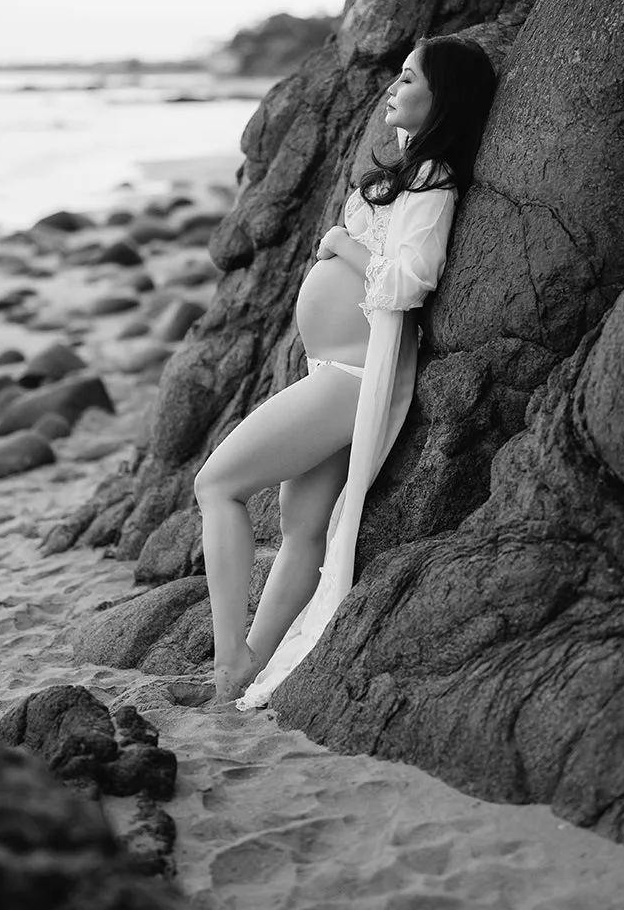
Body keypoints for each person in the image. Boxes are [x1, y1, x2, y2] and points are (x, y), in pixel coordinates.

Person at [175, 35, 498, 709]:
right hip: (332, 369)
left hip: (350, 379)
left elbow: (412, 279)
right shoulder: (409, 170)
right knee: (301, 529)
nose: (393, 87)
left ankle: (230, 653)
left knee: (217, 484)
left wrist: (342, 246)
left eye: (408, 79)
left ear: (441, 99)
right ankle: (244, 673)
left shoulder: (434, 180)